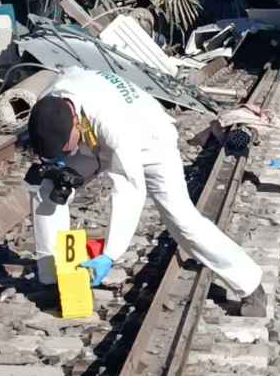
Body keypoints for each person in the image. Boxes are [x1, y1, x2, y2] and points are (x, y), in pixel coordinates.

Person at [26, 67, 266, 317]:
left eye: (67, 148)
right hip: (95, 140)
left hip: (151, 140)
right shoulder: (51, 101)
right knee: (48, 188)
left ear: (75, 122)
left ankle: (250, 285)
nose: (67, 153)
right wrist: (55, 165)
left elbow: (129, 190)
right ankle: (53, 281)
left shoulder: (112, 123)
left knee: (182, 220)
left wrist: (110, 254)